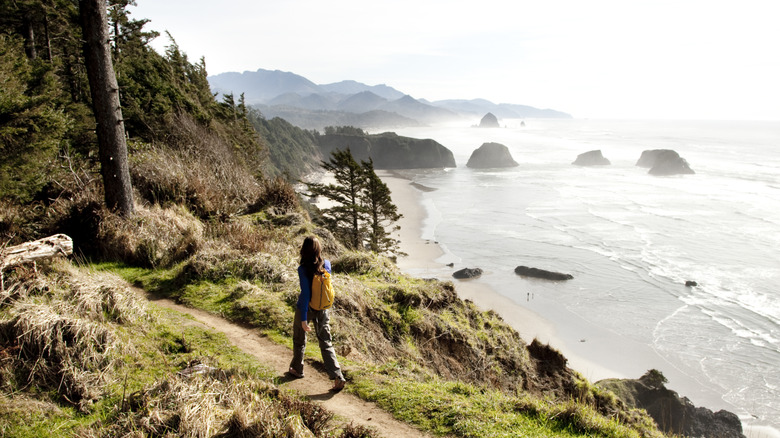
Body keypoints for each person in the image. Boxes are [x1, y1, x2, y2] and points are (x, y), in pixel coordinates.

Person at [288, 236, 346, 391]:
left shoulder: (303, 269)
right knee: (326, 342)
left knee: (299, 340)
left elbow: (306, 293)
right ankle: (337, 376)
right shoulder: (326, 264)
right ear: (318, 249)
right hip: (323, 308)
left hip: (305, 308)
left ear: (303, 250)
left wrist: (304, 319)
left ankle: (297, 369)